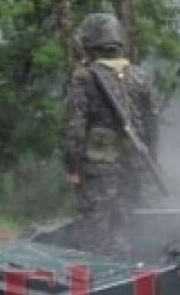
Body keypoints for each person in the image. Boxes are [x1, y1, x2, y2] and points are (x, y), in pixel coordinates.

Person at [61, 13, 159, 255]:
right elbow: (152, 123)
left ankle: (97, 284)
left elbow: (75, 126)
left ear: (90, 44)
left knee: (95, 232)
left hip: (99, 167)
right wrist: (150, 159)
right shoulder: (140, 76)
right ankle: (120, 281)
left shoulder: (85, 76)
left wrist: (73, 168)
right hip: (133, 164)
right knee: (123, 228)